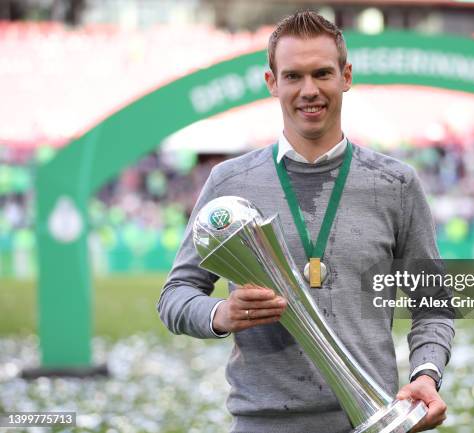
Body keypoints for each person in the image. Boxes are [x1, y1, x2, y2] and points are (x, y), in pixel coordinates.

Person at [158, 11, 454, 433]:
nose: (309, 90)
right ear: (272, 83)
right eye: (293, 76)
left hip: (372, 421)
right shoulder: (229, 183)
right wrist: (221, 313)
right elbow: (176, 295)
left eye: (322, 74)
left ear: (346, 76)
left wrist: (426, 373)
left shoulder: (396, 184)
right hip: (262, 424)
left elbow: (433, 301)